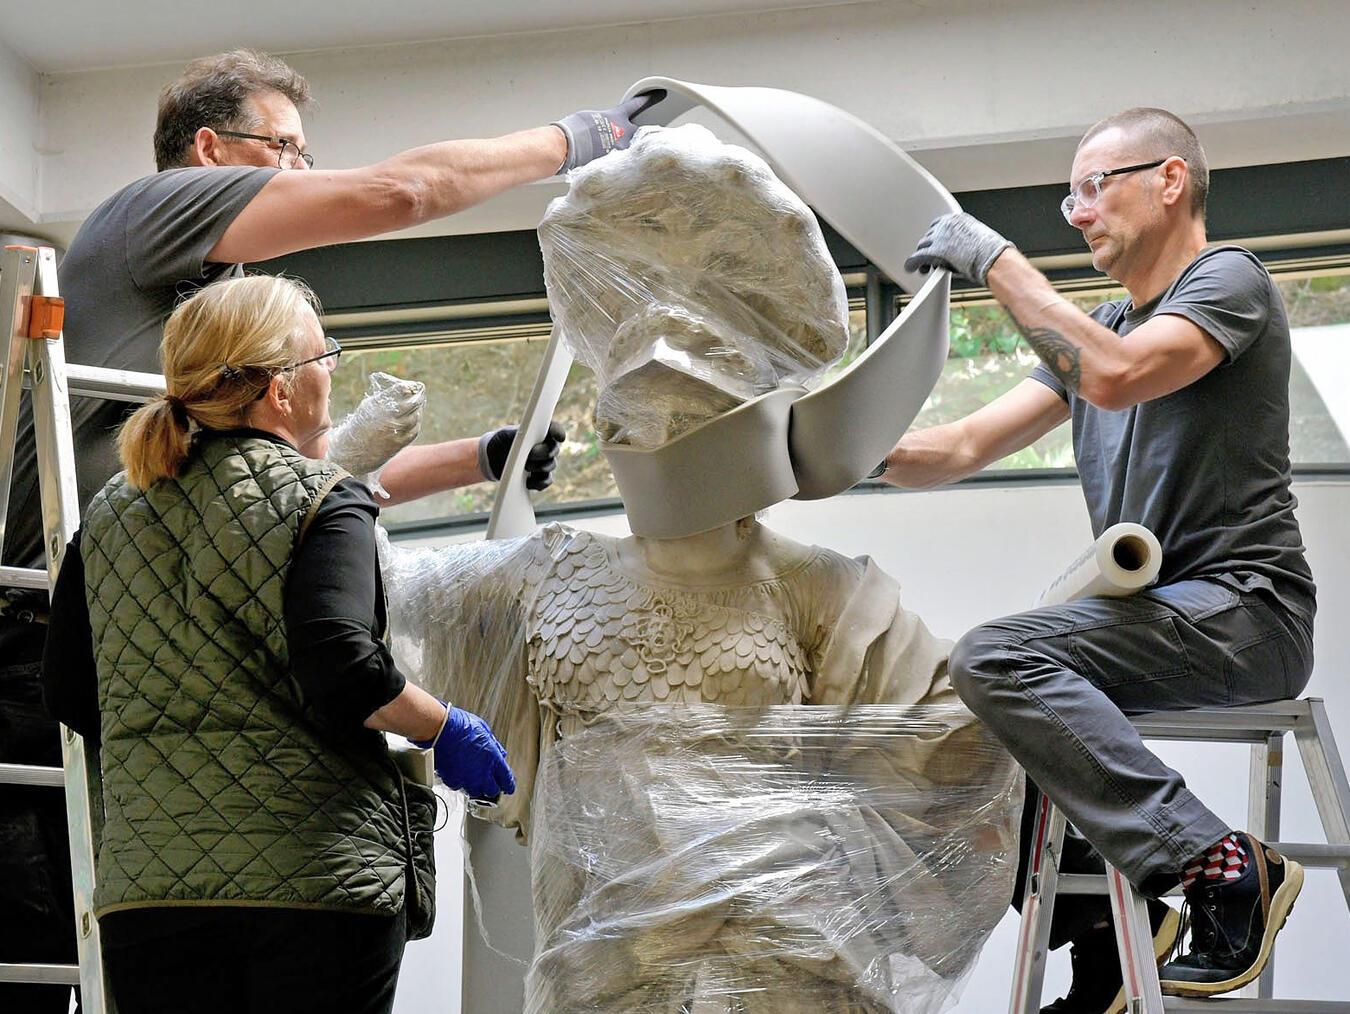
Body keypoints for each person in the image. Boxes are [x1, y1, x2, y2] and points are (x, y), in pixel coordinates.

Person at [0, 48, 644, 1009]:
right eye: (286, 151)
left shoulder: (165, 450)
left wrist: (477, 455)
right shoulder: (152, 213)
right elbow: (401, 194)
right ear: (210, 150)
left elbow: (297, 481)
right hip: (41, 648)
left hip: (124, 692)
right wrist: (579, 141)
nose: (302, 175)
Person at [882, 107, 1315, 1010]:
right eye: (1068, 194)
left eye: (1094, 186)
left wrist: (995, 260)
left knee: (999, 654)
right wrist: (809, 449)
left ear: (1169, 180)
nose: (1076, 212)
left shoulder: (1226, 281)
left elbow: (1118, 374)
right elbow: (960, 447)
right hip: (1159, 620)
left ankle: (1224, 867)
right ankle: (1105, 939)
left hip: (1247, 614)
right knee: (961, 702)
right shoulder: (1103, 327)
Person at [41, 274, 515, 1014]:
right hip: (314, 889)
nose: (333, 367)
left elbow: (68, 687)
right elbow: (343, 666)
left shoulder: (109, 513)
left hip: (151, 894)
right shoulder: (323, 499)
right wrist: (446, 725)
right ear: (280, 390)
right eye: (323, 353)